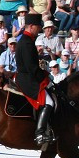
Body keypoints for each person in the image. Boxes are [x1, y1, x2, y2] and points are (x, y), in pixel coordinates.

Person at [16, 14, 55, 145]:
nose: (40, 30)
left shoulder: (27, 40)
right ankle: (40, 133)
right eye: (38, 27)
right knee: (49, 102)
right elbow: (32, 67)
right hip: (28, 79)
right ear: (31, 26)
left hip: (28, 76)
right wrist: (46, 79)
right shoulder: (27, 42)